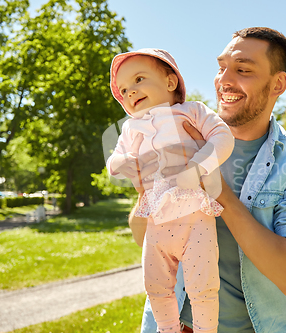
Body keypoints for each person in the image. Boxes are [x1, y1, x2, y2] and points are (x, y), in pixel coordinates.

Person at [129, 28, 286, 333]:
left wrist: (220, 193)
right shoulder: (179, 135)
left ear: (278, 84)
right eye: (221, 67)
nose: (224, 80)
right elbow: (145, 238)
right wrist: (146, 196)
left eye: (242, 69)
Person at [106, 48, 235, 333]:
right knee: (155, 285)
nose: (130, 92)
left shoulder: (192, 111)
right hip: (156, 220)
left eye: (139, 79)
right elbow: (112, 163)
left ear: (170, 82)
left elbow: (222, 137)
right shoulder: (130, 129)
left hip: (195, 215)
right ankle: (166, 329)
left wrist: (199, 167)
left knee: (204, 286)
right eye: (124, 90)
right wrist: (125, 162)